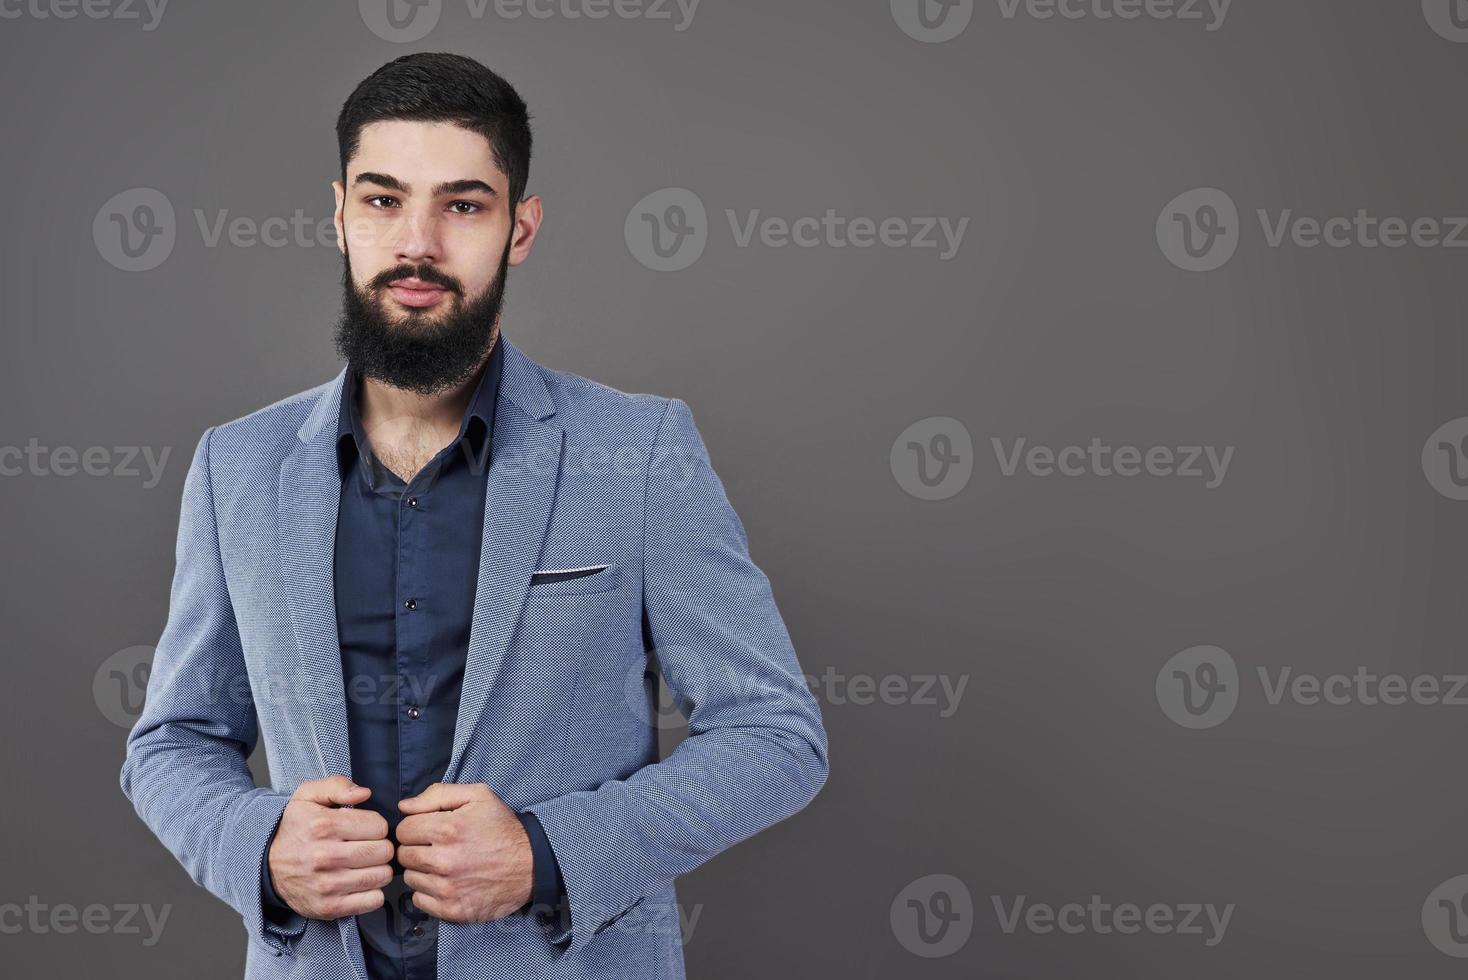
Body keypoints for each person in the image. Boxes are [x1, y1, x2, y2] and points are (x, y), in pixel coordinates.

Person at [120, 51, 828, 980]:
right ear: (338, 215)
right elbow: (174, 739)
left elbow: (776, 736)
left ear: (519, 227)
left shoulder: (640, 450)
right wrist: (256, 846)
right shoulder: (235, 467)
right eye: (382, 201)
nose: (417, 244)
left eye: (462, 204)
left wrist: (549, 852)